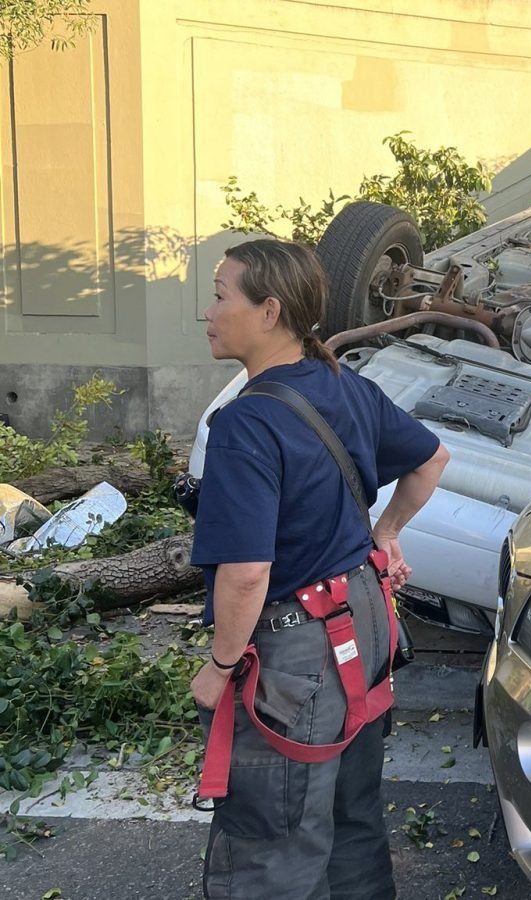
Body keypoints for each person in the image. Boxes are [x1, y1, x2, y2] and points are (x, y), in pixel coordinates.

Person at [189, 238, 448, 899]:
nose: (208, 312)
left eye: (221, 295)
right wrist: (385, 535)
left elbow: (246, 573)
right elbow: (432, 459)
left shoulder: (245, 425)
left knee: (273, 836)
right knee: (350, 813)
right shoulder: (346, 385)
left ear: (269, 310)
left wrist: (219, 668)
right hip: (362, 618)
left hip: (298, 645)